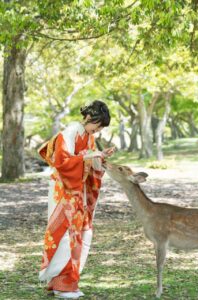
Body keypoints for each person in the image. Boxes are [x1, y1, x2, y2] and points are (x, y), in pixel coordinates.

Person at [38, 100, 115, 299]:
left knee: (79, 233)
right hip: (63, 189)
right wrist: (91, 155)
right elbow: (63, 162)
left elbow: (88, 159)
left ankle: (66, 282)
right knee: (64, 234)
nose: (97, 131)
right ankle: (61, 284)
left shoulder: (87, 136)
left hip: (77, 189)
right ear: (90, 118)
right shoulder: (70, 132)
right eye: (97, 126)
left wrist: (100, 156)